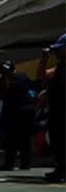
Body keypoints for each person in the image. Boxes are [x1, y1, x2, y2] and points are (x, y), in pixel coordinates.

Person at [0, 60, 35, 171]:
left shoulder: (7, 80)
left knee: (15, 139)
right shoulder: (20, 77)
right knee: (22, 139)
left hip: (18, 111)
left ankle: (13, 163)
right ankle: (23, 163)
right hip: (22, 110)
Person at [38, 35, 65, 182]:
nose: (56, 52)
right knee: (57, 142)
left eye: (59, 49)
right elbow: (42, 77)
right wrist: (44, 59)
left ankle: (61, 171)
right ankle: (60, 169)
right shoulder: (60, 67)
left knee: (61, 142)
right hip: (57, 110)